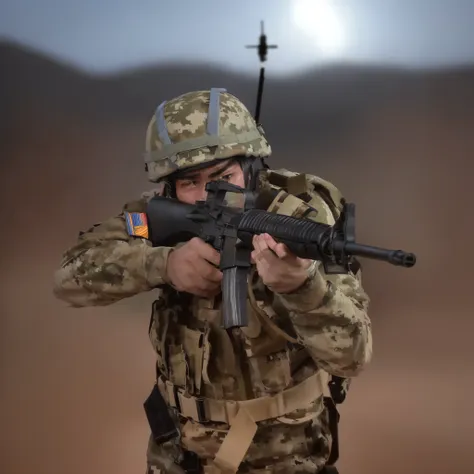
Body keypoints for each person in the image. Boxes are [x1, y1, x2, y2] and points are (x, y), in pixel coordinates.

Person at [53, 88, 372, 474]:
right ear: (167, 188)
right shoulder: (154, 219)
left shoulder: (304, 218)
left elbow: (352, 355)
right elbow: (68, 278)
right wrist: (164, 264)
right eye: (190, 182)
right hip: (177, 455)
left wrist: (303, 287)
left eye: (224, 177)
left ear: (252, 167)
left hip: (286, 459)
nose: (210, 196)